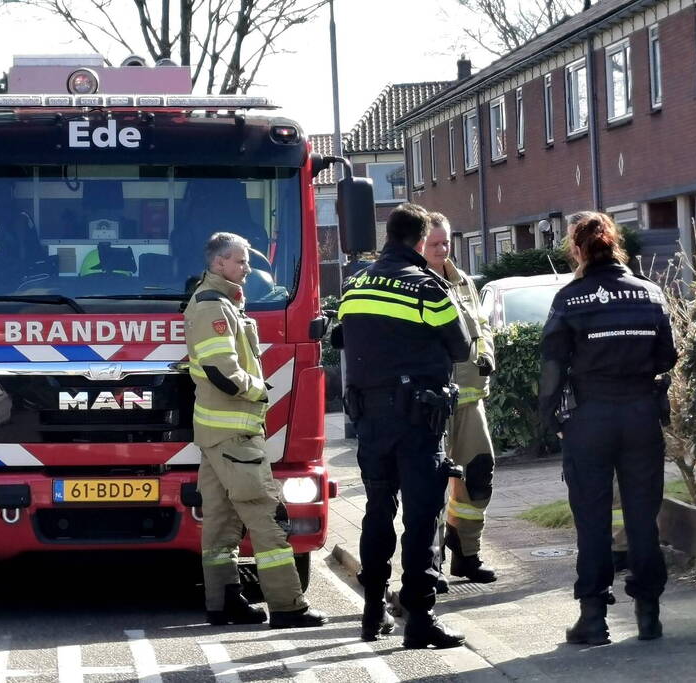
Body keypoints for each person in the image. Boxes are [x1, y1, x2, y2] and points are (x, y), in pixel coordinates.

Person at [336, 203, 471, 648]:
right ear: (418, 241)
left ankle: (372, 610)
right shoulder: (426, 287)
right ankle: (420, 618)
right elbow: (461, 346)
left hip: (369, 420)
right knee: (420, 517)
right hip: (417, 420)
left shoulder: (354, 285)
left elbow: (341, 335)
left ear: (386, 236)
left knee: (377, 511)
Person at [539, 212, 677, 645]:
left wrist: (549, 418)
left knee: (592, 520)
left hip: (589, 419)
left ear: (577, 251)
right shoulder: (649, 293)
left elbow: (551, 365)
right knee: (642, 517)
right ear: (616, 245)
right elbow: (667, 356)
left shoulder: (570, 298)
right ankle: (649, 615)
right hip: (640, 415)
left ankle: (594, 618)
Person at [185, 231, 327, 630]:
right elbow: (221, 370)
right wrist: (258, 389)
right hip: (234, 435)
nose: (248, 268)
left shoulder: (217, 303)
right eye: (241, 261)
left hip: (216, 435)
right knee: (266, 515)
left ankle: (223, 602)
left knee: (219, 520)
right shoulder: (214, 307)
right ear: (219, 265)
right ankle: (287, 605)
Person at [423, 213, 498, 586]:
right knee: (432, 485)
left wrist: (488, 353)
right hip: (432, 404)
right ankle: (430, 565)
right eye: (434, 244)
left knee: (478, 475)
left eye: (446, 242)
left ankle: (467, 553)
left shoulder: (462, 280)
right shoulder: (414, 283)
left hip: (470, 400)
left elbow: (481, 326)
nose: (442, 249)